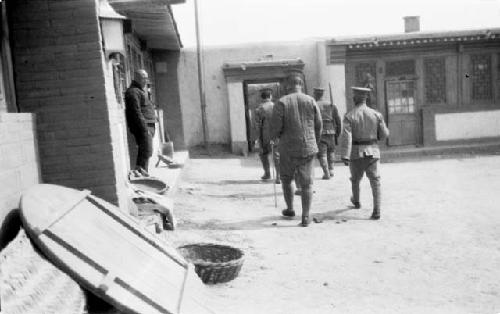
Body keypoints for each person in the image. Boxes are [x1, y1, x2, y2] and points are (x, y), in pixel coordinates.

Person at [271, 74, 322, 227]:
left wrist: (274, 138)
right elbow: (318, 125)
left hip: (287, 148)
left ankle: (290, 209)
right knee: (307, 183)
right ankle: (306, 216)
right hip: (308, 147)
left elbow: (275, 128)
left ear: (288, 86)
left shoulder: (281, 102)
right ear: (301, 84)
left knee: (287, 179)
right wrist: (314, 142)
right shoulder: (311, 100)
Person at [340, 87, 389, 220]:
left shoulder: (349, 116)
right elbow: (384, 134)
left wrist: (345, 155)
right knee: (375, 180)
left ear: (355, 98)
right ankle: (376, 210)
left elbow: (347, 137)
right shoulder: (376, 114)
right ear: (366, 98)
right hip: (372, 151)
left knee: (355, 179)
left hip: (356, 153)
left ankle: (356, 201)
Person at [125, 69, 157, 176]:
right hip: (143, 127)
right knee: (145, 152)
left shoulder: (140, 90)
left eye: (147, 78)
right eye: (144, 78)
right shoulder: (133, 91)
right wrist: (145, 128)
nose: (146, 80)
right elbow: (136, 112)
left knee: (146, 152)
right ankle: (141, 175)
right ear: (137, 78)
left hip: (147, 127)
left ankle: (142, 174)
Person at [313, 87, 341, 180]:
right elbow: (338, 120)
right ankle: (331, 170)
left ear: (315, 94)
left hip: (319, 132)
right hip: (331, 131)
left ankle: (326, 173)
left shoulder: (313, 104)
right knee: (331, 151)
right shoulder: (331, 105)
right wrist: (338, 132)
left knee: (322, 154)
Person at [254, 88, 280, 183]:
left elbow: (257, 126)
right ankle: (278, 176)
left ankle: (267, 173)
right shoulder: (277, 106)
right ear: (270, 97)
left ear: (262, 98)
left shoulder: (259, 109)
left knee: (263, 154)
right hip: (276, 134)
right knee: (277, 155)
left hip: (264, 135)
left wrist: (258, 138)